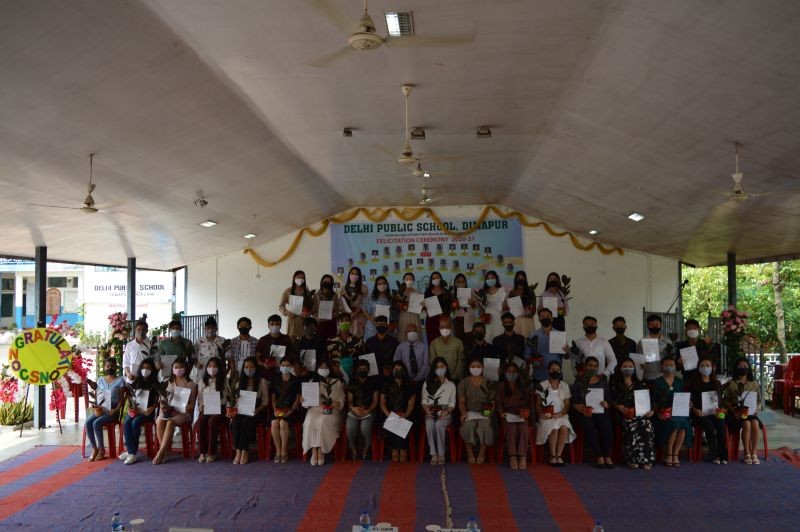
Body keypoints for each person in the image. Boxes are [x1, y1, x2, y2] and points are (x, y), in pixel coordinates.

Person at [609, 358, 655, 469]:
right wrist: (618, 406)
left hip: (639, 414)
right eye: (625, 366)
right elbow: (610, 400)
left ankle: (646, 459)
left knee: (647, 425)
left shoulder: (640, 383)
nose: (628, 368)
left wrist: (651, 411)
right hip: (623, 415)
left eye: (630, 366)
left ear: (634, 368)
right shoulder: (614, 383)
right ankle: (632, 459)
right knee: (633, 425)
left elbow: (648, 401)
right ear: (620, 368)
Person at [571, 356, 614, 468]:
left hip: (600, 411)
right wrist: (578, 407)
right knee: (588, 426)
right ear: (585, 366)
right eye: (590, 365)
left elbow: (609, 399)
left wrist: (606, 403)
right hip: (585, 412)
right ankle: (599, 455)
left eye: (595, 366)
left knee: (607, 426)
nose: (592, 368)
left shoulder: (603, 381)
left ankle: (607, 455)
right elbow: (574, 401)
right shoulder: (579, 380)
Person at [153, 358, 197, 465]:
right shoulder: (168, 383)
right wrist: (166, 408)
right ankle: (166, 451)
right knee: (159, 421)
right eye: (176, 367)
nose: (178, 369)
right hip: (169, 411)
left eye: (181, 367)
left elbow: (192, 405)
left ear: (185, 369)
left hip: (184, 412)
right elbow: (162, 401)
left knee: (170, 422)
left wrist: (184, 407)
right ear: (172, 369)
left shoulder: (191, 384)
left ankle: (161, 452)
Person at [302, 360, 345, 466]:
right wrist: (304, 400)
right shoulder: (312, 382)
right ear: (317, 369)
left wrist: (337, 403)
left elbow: (342, 399)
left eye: (325, 368)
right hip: (315, 410)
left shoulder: (338, 382)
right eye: (321, 368)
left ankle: (321, 451)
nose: (323, 370)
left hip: (331, 411)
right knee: (309, 421)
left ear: (330, 369)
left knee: (323, 421)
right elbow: (307, 403)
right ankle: (314, 451)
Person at [651, 356, 691, 467]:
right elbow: (653, 401)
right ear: (662, 366)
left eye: (671, 365)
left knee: (683, 424)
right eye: (666, 365)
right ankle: (668, 453)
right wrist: (658, 412)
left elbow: (683, 397)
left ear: (675, 366)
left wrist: (688, 403)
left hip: (678, 412)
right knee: (674, 423)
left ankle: (675, 453)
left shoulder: (679, 381)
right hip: (663, 414)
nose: (669, 367)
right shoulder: (657, 382)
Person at [535, 361, 576, 467]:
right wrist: (542, 414)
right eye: (552, 369)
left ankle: (559, 455)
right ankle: (552, 456)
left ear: (560, 371)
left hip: (561, 415)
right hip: (546, 416)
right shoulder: (542, 385)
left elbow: (567, 405)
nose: (555, 372)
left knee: (564, 428)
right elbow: (538, 405)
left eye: (557, 370)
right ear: (548, 370)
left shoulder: (565, 386)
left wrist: (560, 414)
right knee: (554, 428)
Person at [722, 357, 762, 465]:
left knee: (755, 423)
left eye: (745, 366)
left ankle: (754, 453)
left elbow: (758, 400)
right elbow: (726, 400)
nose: (743, 368)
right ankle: (746, 452)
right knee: (747, 424)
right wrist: (733, 411)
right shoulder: (731, 383)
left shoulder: (754, 384)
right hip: (736, 412)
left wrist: (757, 409)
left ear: (749, 368)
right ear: (736, 368)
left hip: (751, 412)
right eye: (740, 366)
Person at [230, 356, 269, 465]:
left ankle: (245, 451)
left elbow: (265, 402)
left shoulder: (262, 382)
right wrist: (237, 402)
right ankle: (238, 451)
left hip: (257, 411)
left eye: (251, 367)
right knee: (236, 421)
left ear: (256, 368)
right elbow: (235, 401)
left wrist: (256, 411)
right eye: (246, 367)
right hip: (242, 410)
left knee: (246, 422)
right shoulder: (239, 382)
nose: (249, 369)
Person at [120, 358, 159, 465]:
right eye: (143, 368)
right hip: (136, 411)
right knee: (127, 421)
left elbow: (158, 401)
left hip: (148, 413)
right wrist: (130, 407)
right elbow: (132, 397)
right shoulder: (137, 381)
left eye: (148, 368)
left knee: (135, 422)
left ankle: (133, 453)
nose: (145, 370)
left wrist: (152, 408)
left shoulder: (155, 384)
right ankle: (130, 451)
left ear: (152, 370)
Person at [84, 357, 124, 461]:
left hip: (113, 410)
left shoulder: (120, 380)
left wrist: (116, 410)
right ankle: (95, 448)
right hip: (101, 408)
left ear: (116, 367)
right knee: (88, 423)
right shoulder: (100, 380)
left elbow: (121, 399)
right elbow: (98, 395)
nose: (110, 368)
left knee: (96, 423)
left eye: (112, 366)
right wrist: (95, 403)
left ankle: (102, 449)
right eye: (107, 366)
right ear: (104, 367)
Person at [689, 359, 728, 464]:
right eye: (702, 365)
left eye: (707, 365)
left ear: (712, 367)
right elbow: (689, 401)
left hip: (715, 412)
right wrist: (694, 410)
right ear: (698, 368)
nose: (705, 368)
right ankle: (713, 454)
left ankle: (723, 454)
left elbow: (720, 400)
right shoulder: (693, 383)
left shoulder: (717, 383)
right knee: (709, 425)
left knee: (721, 423)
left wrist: (722, 409)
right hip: (700, 414)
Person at [457, 358, 496, 464]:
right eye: (473, 366)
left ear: (482, 368)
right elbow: (461, 402)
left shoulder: (489, 382)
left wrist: (488, 412)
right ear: (469, 368)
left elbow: (492, 401)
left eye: (478, 366)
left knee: (485, 425)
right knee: (467, 425)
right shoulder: (463, 383)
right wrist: (463, 413)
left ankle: (482, 452)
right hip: (469, 411)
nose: (476, 369)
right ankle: (469, 452)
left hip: (484, 411)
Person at [495, 361, 531, 469]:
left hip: (520, 414)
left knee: (524, 428)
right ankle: (513, 456)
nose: (511, 374)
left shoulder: (522, 385)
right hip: (507, 414)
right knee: (512, 428)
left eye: (514, 371)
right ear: (505, 373)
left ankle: (522, 456)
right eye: (509, 371)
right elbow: (498, 401)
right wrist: (501, 413)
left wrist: (525, 413)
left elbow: (528, 402)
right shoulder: (501, 386)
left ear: (518, 373)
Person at [421, 357, 456, 465]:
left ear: (446, 368)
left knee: (439, 424)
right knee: (430, 423)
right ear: (433, 369)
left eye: (442, 367)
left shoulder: (451, 385)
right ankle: (433, 453)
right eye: (437, 367)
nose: (440, 369)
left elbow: (452, 402)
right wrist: (427, 410)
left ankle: (441, 453)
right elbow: (424, 400)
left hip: (446, 412)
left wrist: (447, 411)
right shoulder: (427, 383)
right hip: (431, 410)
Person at [380, 361, 417, 462]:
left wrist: (405, 415)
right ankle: (395, 449)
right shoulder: (387, 384)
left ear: (404, 371)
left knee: (401, 421)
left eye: (400, 369)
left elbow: (411, 404)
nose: (398, 371)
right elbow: (382, 403)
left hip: (406, 414)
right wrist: (389, 414)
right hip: (389, 413)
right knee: (393, 421)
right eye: (396, 369)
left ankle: (402, 449)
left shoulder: (409, 385)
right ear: (392, 371)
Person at [346, 359, 381, 460]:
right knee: (350, 428)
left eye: (365, 369)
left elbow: (375, 401)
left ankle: (367, 448)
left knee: (364, 427)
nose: (362, 370)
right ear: (356, 370)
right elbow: (349, 401)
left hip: (369, 411)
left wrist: (368, 410)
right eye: (360, 369)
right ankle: (352, 449)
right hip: (355, 410)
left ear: (368, 370)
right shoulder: (353, 381)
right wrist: (353, 408)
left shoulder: (373, 382)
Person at [196, 356, 228, 463]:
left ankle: (211, 452)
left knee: (212, 421)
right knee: (200, 420)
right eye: (209, 366)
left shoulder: (224, 380)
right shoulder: (202, 381)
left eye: (214, 366)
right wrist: (202, 407)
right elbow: (200, 398)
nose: (212, 368)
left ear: (219, 368)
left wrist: (226, 408)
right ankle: (202, 452)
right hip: (207, 409)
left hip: (221, 410)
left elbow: (229, 397)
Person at [270, 357, 302, 463]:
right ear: (280, 366)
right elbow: (273, 397)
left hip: (291, 410)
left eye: (288, 365)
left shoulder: (296, 380)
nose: (285, 367)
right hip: (277, 409)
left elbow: (297, 399)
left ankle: (284, 451)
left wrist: (291, 411)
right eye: (283, 365)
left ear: (291, 367)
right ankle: (277, 451)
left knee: (283, 423)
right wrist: (274, 409)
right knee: (274, 423)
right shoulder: (275, 379)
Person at [525, 308, 566, 383]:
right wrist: (534, 360)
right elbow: (526, 356)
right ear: (539, 319)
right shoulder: (533, 335)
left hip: (556, 375)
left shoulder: (559, 335)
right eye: (542, 317)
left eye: (547, 316)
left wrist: (567, 351)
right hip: (539, 375)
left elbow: (566, 356)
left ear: (552, 318)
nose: (545, 318)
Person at [637, 314, 674, 383]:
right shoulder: (642, 341)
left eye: (657, 325)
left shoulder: (667, 341)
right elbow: (638, 360)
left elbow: (671, 358)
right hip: (648, 376)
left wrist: (670, 353)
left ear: (661, 325)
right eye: (652, 324)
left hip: (664, 376)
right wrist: (641, 365)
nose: (654, 327)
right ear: (648, 325)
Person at [326, 312, 364, 379]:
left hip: (354, 377)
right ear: (337, 323)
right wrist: (333, 368)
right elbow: (327, 359)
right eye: (341, 321)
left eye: (346, 320)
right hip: (336, 377)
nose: (344, 322)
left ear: (350, 322)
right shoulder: (330, 342)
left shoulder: (358, 341)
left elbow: (363, 360)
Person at [429, 315, 465, 382]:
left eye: (447, 327)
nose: (444, 329)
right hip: (439, 379)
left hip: (455, 379)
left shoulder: (458, 342)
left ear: (451, 328)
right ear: (439, 328)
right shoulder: (433, 343)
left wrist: (454, 377)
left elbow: (461, 362)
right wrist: (440, 376)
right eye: (442, 327)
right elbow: (433, 362)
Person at [394, 323, 430, 391]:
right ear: (405, 333)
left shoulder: (424, 347)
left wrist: (416, 379)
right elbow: (396, 364)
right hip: (405, 380)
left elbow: (426, 364)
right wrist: (405, 377)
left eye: (414, 331)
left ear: (417, 333)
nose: (412, 333)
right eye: (409, 331)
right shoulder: (400, 347)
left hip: (421, 381)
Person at [476, 270, 507, 343]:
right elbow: (481, 311)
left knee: (499, 341)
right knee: (488, 340)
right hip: (487, 322)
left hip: (499, 321)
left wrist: (504, 305)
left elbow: (504, 308)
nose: (490, 280)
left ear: (496, 279)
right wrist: (480, 307)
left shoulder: (501, 290)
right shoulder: (483, 293)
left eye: (492, 278)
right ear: (486, 280)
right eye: (488, 278)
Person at [193, 316, 227, 381]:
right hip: (202, 371)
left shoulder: (223, 341)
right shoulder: (198, 341)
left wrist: (226, 369)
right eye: (208, 328)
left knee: (218, 387)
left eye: (212, 328)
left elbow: (228, 356)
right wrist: (196, 364)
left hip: (218, 372)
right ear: (204, 329)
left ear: (216, 329)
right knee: (202, 388)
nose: (210, 330)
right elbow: (194, 356)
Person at [279, 270, 310, 338]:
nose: (300, 279)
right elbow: (281, 306)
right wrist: (287, 312)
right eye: (298, 277)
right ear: (294, 278)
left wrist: (307, 313)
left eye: (302, 278)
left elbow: (310, 306)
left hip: (303, 320)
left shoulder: (307, 292)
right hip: (292, 320)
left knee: (303, 342)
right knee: (292, 342)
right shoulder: (288, 291)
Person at [423, 271, 452, 345]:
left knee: (445, 342)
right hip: (431, 320)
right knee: (432, 342)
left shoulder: (447, 291)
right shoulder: (428, 291)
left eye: (437, 277)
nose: (436, 279)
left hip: (444, 320)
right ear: (431, 280)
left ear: (441, 279)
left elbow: (450, 307)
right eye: (433, 278)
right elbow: (426, 306)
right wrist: (424, 307)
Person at [341, 266, 369, 337]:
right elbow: (342, 303)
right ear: (349, 275)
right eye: (352, 273)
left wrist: (356, 312)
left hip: (360, 316)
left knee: (359, 338)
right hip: (347, 318)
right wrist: (349, 314)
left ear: (359, 276)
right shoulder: (344, 288)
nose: (354, 275)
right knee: (348, 338)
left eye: (356, 274)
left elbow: (365, 303)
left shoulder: (364, 287)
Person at [507, 270, 536, 337]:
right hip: (516, 321)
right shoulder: (511, 292)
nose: (520, 280)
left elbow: (533, 309)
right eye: (518, 279)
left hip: (527, 321)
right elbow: (510, 310)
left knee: (528, 342)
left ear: (525, 280)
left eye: (522, 279)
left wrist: (529, 311)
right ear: (515, 280)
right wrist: (508, 309)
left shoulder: (530, 291)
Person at [396, 272, 422, 343]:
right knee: (403, 335)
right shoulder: (399, 293)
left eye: (411, 279)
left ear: (413, 281)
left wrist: (422, 306)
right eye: (407, 279)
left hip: (414, 317)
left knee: (415, 334)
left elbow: (420, 308)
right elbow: (397, 306)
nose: (409, 281)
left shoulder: (417, 292)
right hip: (404, 316)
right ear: (403, 281)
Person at [313, 274, 341, 340]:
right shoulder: (316, 296)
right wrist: (317, 319)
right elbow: (313, 311)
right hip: (320, 324)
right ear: (322, 282)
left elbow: (337, 311)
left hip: (331, 324)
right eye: (325, 280)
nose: (327, 282)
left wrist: (330, 316)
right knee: (320, 344)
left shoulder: (335, 296)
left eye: (329, 281)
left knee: (331, 344)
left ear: (331, 283)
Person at [123, 319, 151, 383]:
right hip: (131, 380)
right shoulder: (129, 345)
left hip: (146, 380)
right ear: (135, 330)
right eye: (139, 329)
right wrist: (128, 374)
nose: (141, 332)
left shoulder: (151, 344)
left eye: (143, 330)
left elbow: (154, 363)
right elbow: (125, 363)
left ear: (147, 331)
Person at [451, 273, 475, 344]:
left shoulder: (470, 292)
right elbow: (451, 311)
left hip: (468, 320)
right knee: (459, 342)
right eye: (458, 281)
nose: (460, 283)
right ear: (455, 283)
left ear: (465, 283)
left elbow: (475, 306)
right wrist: (453, 305)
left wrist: (471, 303)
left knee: (469, 341)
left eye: (462, 281)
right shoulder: (452, 294)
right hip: (457, 320)